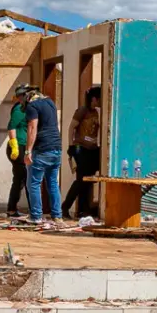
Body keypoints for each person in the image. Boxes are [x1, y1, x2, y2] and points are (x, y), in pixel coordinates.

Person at [24, 86, 64, 223]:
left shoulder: (32, 106)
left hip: (42, 149)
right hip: (56, 147)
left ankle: (36, 216)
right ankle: (57, 216)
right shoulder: (50, 103)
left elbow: (32, 127)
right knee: (53, 183)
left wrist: (28, 150)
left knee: (33, 184)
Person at [62, 86, 102, 220]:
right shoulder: (82, 111)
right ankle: (65, 207)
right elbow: (71, 127)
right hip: (81, 149)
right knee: (80, 181)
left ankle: (85, 209)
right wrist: (71, 146)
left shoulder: (97, 112)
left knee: (88, 181)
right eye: (99, 99)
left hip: (92, 149)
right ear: (94, 99)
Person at [4, 85, 31, 218]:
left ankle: (12, 209)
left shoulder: (27, 108)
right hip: (18, 147)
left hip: (24, 146)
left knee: (21, 179)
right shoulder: (19, 109)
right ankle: (28, 210)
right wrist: (14, 145)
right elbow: (11, 127)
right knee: (24, 179)